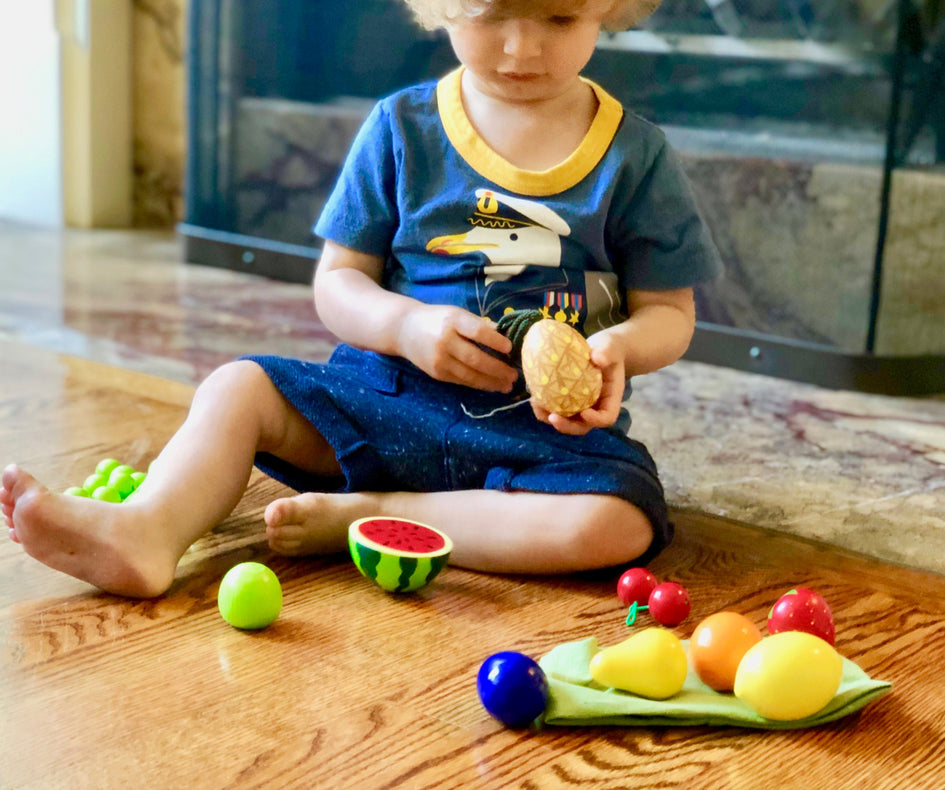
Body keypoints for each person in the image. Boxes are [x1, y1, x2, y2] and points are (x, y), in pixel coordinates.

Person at [1, 0, 721, 598]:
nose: (521, 47)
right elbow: (336, 283)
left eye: (560, 18)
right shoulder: (403, 128)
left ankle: (373, 515)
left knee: (618, 525)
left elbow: (670, 312)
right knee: (237, 388)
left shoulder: (635, 156)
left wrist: (618, 347)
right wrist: (403, 325)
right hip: (384, 404)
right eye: (491, 14)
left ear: (610, 8)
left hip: (537, 439)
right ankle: (149, 529)